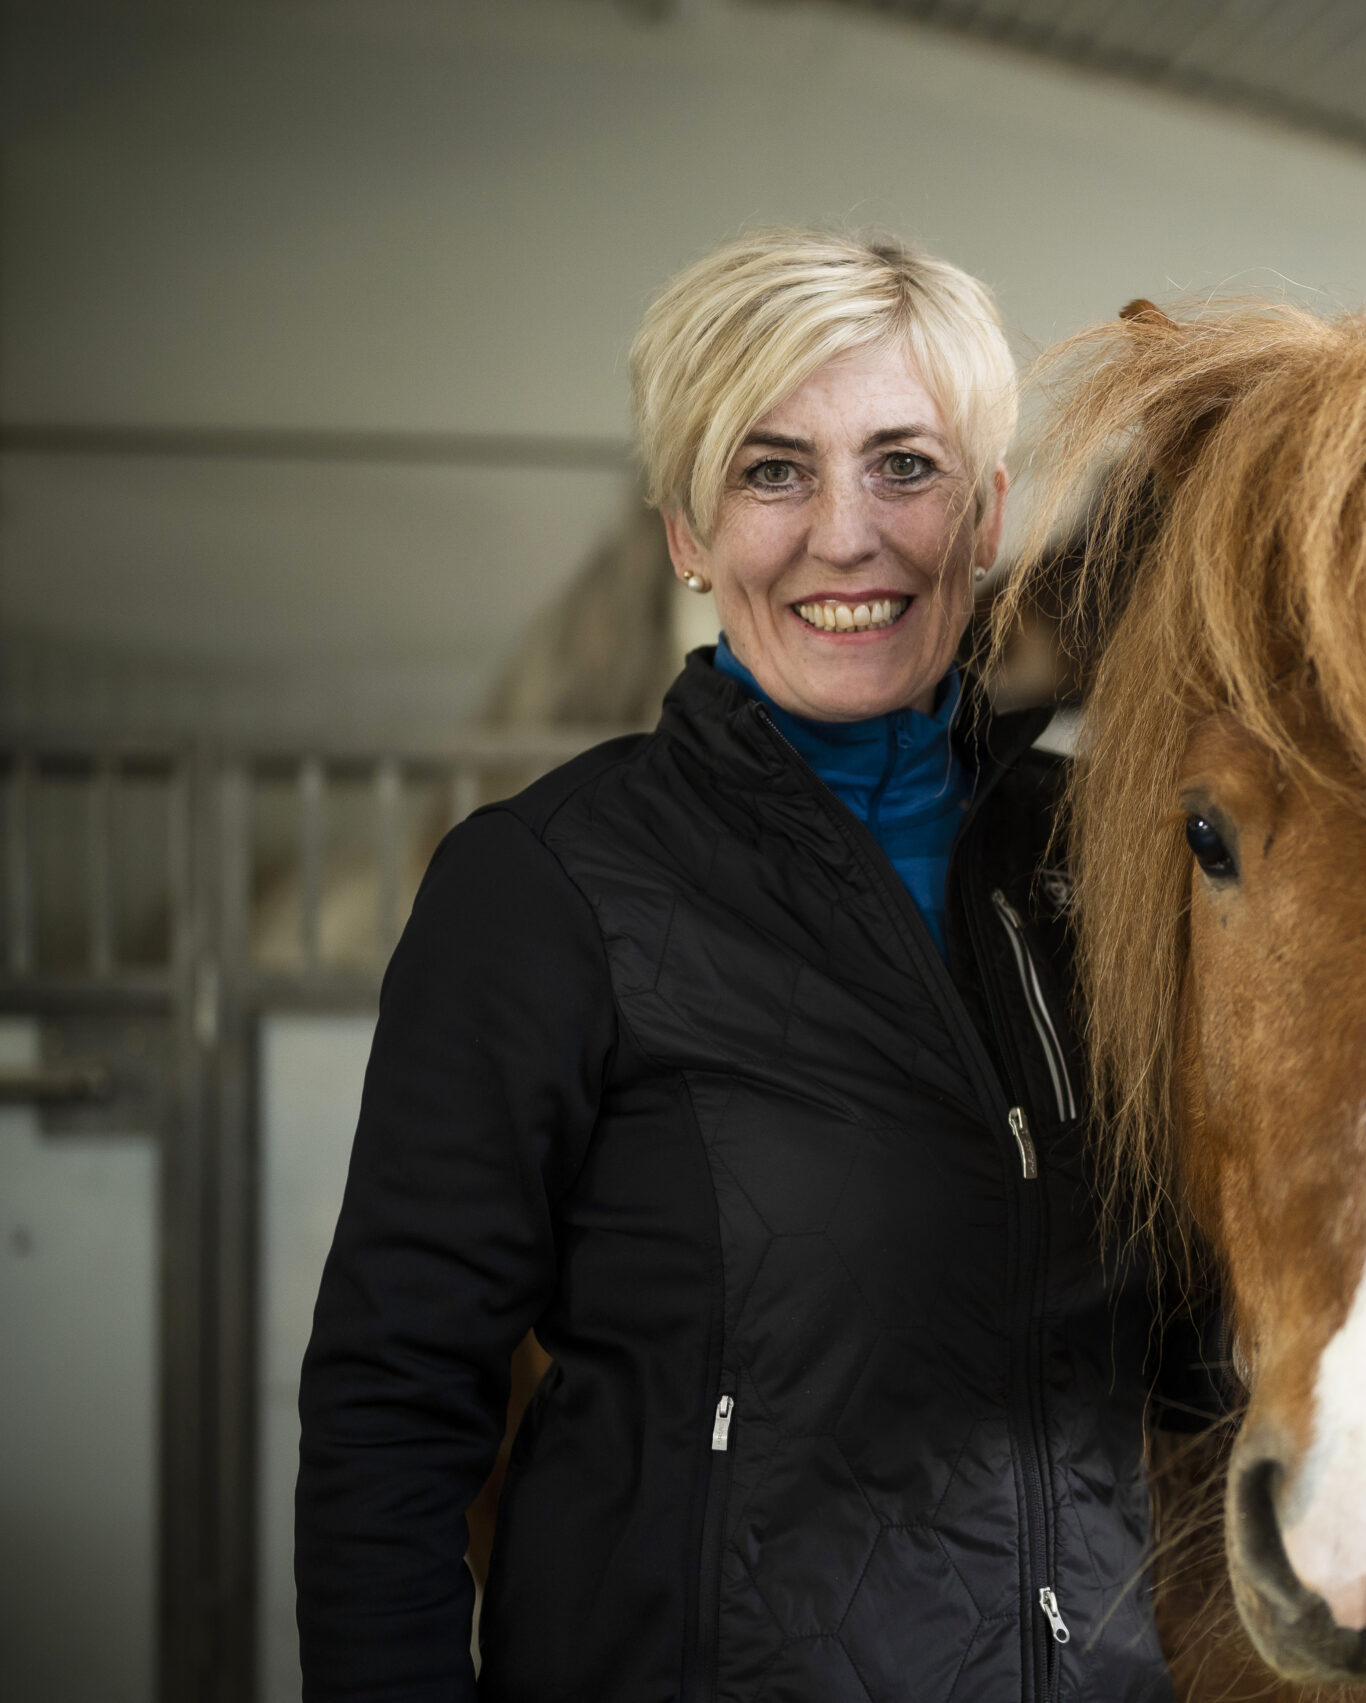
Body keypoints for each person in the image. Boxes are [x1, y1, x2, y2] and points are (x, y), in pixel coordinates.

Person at [296, 228, 1174, 1703]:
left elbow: (1197, 1361)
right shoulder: (549, 888)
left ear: (987, 514)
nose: (847, 534)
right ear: (687, 535)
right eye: (774, 471)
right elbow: (393, 1409)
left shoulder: (1114, 870)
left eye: (907, 465)